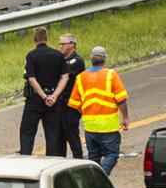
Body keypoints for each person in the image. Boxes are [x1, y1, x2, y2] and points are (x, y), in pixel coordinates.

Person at [67, 46, 128, 175]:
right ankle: (100, 179)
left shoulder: (81, 77)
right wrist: (125, 118)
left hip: (90, 127)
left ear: (91, 60)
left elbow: (74, 103)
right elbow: (121, 100)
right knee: (111, 154)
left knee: (93, 158)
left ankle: (93, 183)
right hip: (108, 127)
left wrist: (85, 112)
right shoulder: (111, 74)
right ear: (104, 59)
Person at [19, 26, 68, 156]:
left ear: (34, 39)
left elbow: (31, 79)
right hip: (54, 100)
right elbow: (65, 77)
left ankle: (24, 159)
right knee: (52, 134)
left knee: (27, 132)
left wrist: (43, 96)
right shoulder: (58, 55)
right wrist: (54, 96)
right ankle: (52, 161)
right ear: (46, 38)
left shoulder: (31, 56)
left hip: (35, 100)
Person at [53, 33, 86, 158]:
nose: (60, 46)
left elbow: (63, 74)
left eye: (63, 44)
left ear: (72, 44)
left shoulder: (76, 61)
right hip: (60, 105)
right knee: (59, 139)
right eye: (59, 44)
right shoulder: (62, 61)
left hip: (71, 106)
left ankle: (79, 160)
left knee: (72, 137)